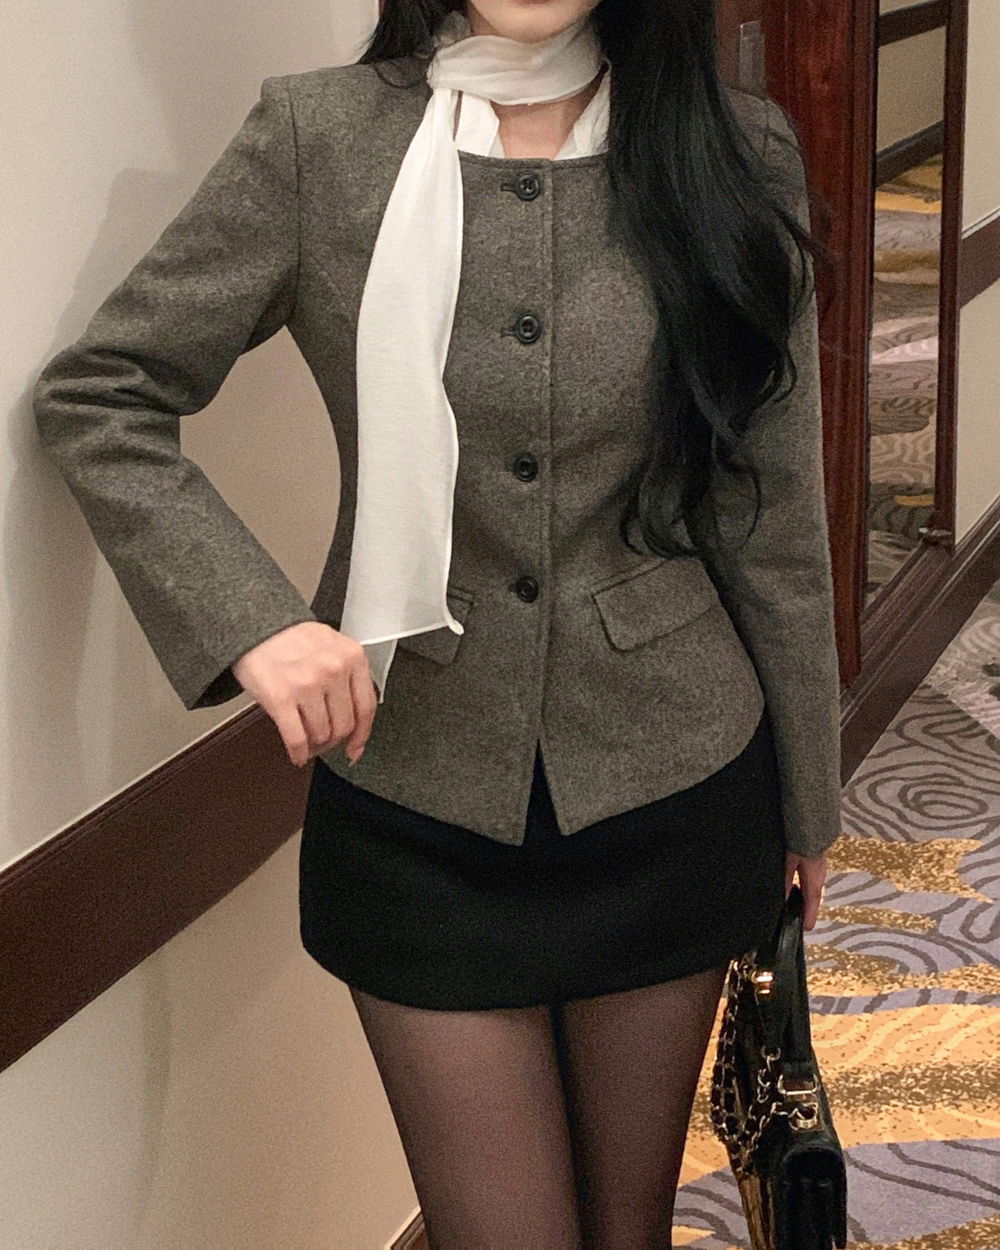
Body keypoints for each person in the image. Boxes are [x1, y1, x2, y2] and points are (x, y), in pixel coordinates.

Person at [32, 0, 844, 1245]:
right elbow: (103, 394)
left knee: (626, 1225)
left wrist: (806, 801)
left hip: (674, 780)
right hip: (416, 795)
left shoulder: (730, 146)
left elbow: (767, 507)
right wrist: (252, 618)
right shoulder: (319, 141)